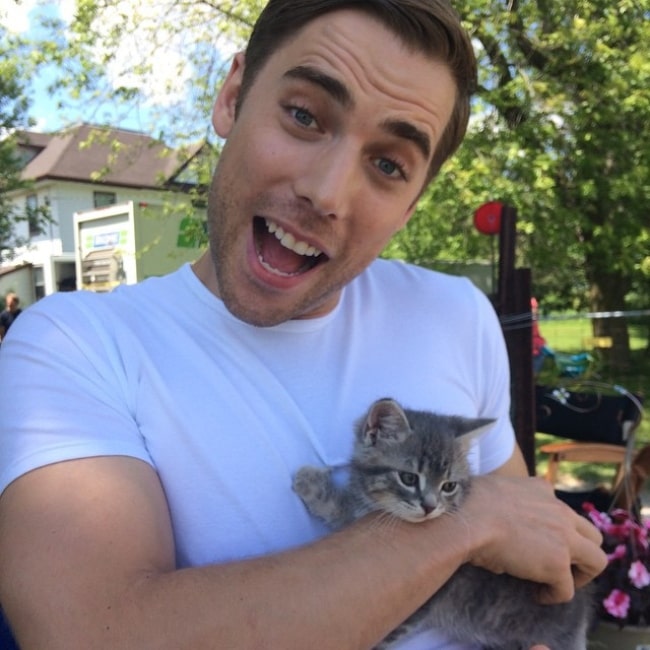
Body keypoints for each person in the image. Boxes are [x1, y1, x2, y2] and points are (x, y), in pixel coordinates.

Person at [0, 1, 606, 649]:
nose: (327, 192)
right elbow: (92, 634)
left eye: (389, 164)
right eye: (304, 115)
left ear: (412, 203)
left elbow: (530, 562)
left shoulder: (458, 314)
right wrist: (463, 523)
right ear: (233, 95)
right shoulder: (73, 347)